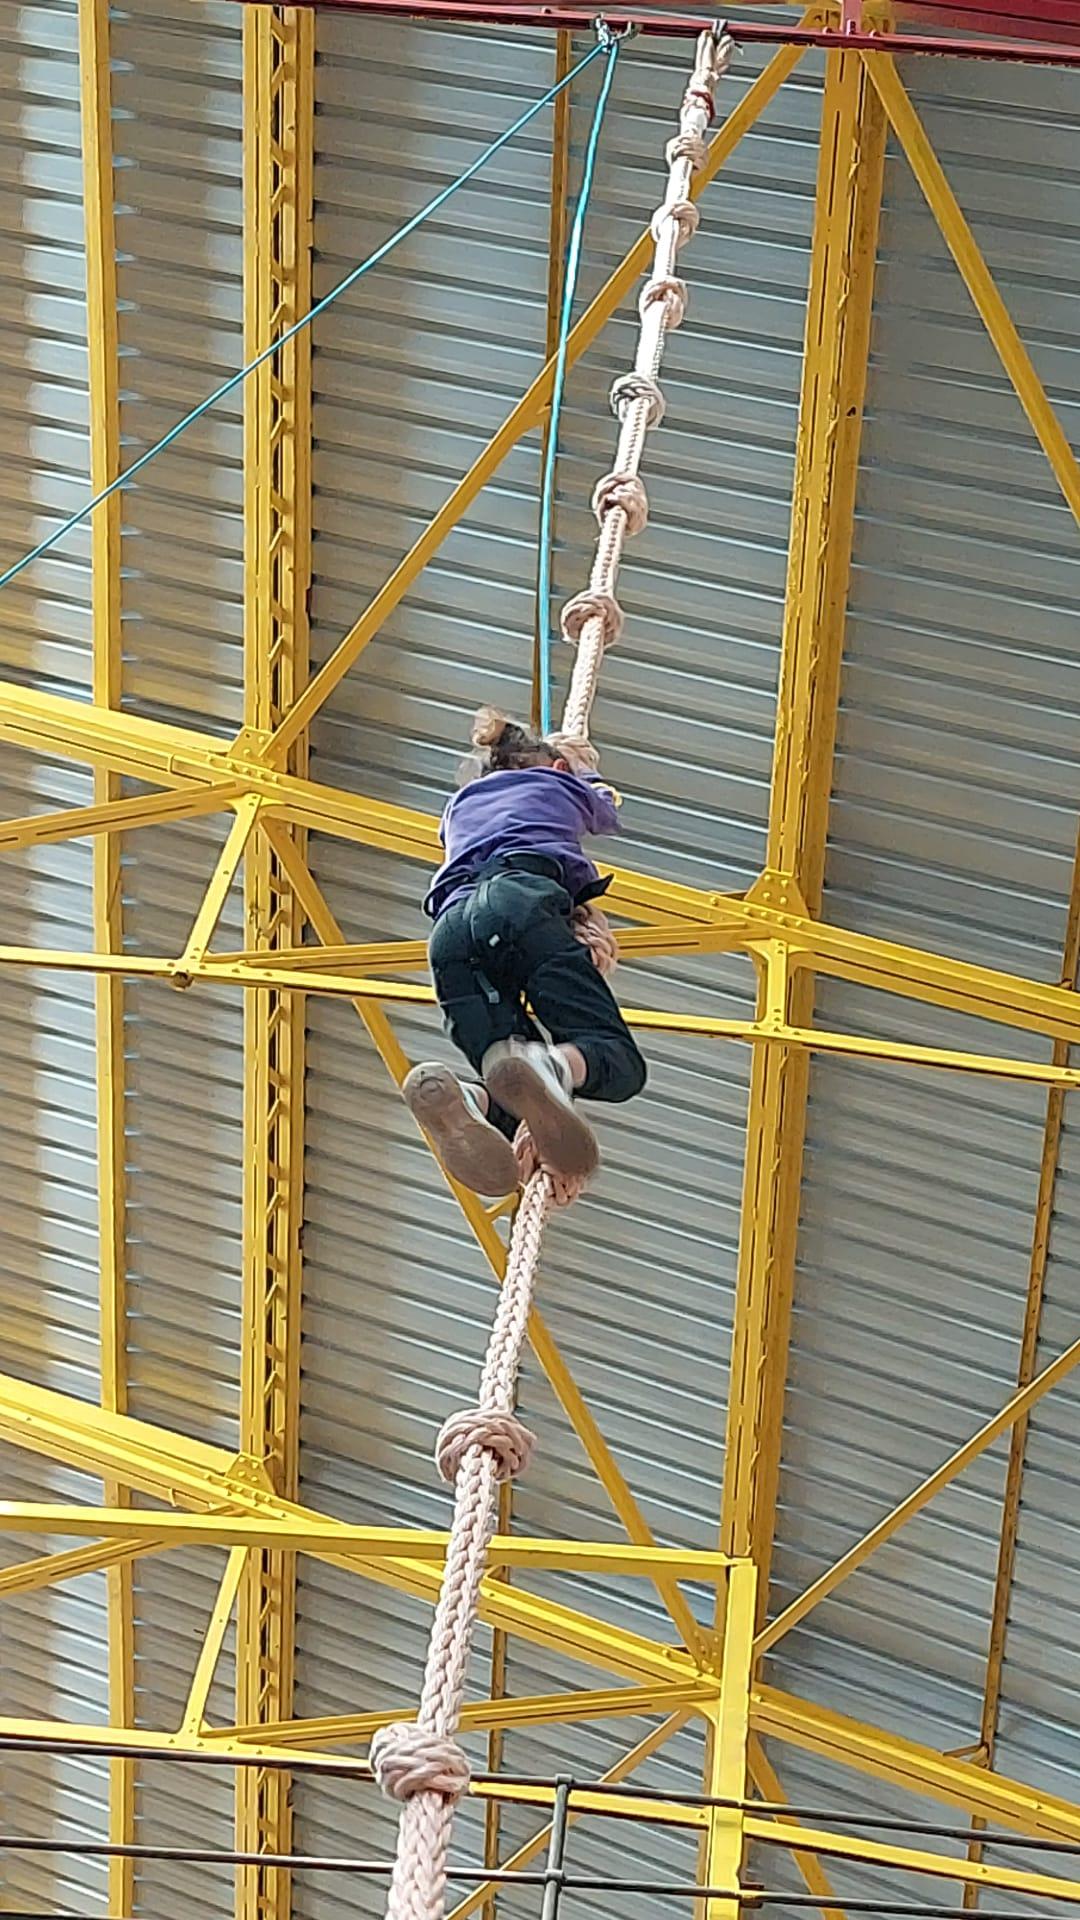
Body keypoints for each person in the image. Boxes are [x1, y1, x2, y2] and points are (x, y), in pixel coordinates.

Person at [403, 707, 648, 1197]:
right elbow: (604, 807)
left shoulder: (460, 807)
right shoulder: (558, 784)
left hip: (450, 936)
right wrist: (582, 766)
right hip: (520, 901)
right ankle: (552, 1066)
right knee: (616, 1061)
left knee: (501, 1066)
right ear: (554, 768)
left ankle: (469, 1100)